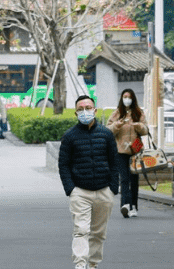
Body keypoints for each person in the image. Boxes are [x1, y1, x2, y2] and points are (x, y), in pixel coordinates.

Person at [58, 95, 119, 269]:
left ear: (95, 110)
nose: (85, 111)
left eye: (88, 108)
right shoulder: (70, 136)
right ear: (76, 113)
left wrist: (113, 188)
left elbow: (114, 162)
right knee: (81, 230)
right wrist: (71, 189)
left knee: (99, 233)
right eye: (81, 109)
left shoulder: (106, 134)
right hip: (80, 192)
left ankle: (92, 264)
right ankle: (80, 264)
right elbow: (63, 164)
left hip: (104, 190)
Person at [106, 88, 149, 218]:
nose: (127, 99)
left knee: (134, 179)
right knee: (124, 178)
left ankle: (134, 206)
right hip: (120, 151)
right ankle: (125, 204)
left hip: (135, 151)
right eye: (125, 96)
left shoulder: (138, 113)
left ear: (133, 98)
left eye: (129, 97)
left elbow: (145, 130)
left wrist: (138, 126)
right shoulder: (117, 113)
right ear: (121, 98)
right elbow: (108, 130)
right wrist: (117, 125)